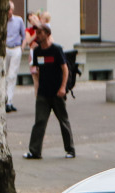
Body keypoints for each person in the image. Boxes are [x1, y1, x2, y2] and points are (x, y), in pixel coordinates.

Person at [24, 25, 75, 159]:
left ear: (47, 34)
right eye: (36, 33)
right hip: (43, 93)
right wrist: (38, 87)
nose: (37, 36)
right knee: (39, 121)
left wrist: (63, 87)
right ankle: (34, 151)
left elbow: (65, 69)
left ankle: (70, 150)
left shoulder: (56, 50)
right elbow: (38, 71)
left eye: (40, 33)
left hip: (57, 93)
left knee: (63, 121)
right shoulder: (37, 51)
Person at [5, 2, 25, 113]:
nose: (9, 12)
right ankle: (4, 99)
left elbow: (24, 35)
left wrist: (21, 48)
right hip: (6, 49)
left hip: (16, 48)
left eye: (10, 9)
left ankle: (9, 101)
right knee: (4, 75)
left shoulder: (19, 20)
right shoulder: (2, 21)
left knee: (12, 75)